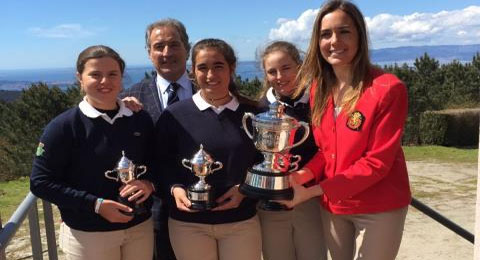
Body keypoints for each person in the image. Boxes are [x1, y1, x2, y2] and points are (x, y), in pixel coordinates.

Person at [279, 1, 412, 259]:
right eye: (326, 34)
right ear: (317, 42)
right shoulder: (319, 88)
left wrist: (314, 190)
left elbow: (377, 162)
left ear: (360, 36)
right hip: (334, 205)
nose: (334, 41)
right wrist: (300, 176)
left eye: (344, 31)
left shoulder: (388, 88)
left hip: (379, 205)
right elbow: (325, 151)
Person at [30, 45, 155, 260]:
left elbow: (156, 162)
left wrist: (149, 184)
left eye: (112, 74)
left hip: (139, 229)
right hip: (88, 234)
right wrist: (95, 205)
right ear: (80, 77)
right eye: (95, 74)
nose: (105, 81)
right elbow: (40, 182)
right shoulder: (63, 126)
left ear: (121, 77)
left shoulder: (140, 119)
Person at [155, 38, 262, 260]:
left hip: (241, 221)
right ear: (192, 71)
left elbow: (264, 162)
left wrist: (245, 189)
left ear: (232, 68)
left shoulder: (255, 113)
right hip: (188, 225)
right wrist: (175, 188)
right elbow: (160, 162)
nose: (211, 75)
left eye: (218, 66)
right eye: (202, 68)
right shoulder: (174, 115)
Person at [120, 18, 194, 260]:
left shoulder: (211, 91)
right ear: (149, 52)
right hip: (152, 211)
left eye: (174, 45)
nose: (166, 53)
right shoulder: (127, 99)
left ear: (187, 48)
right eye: (158, 46)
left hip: (206, 206)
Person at [256, 41, 327, 260]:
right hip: (272, 202)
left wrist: (303, 178)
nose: (279, 76)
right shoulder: (261, 107)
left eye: (286, 68)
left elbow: (328, 149)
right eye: (272, 71)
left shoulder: (320, 100)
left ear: (300, 65)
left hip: (310, 197)